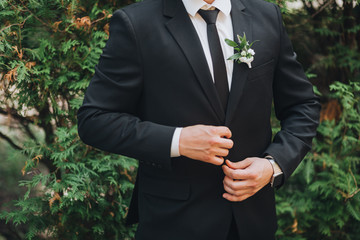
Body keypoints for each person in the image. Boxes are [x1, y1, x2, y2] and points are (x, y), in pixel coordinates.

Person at [77, 0, 320, 239]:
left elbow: (302, 105)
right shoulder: (136, 24)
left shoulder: (267, 16)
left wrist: (273, 165)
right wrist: (178, 140)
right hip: (174, 223)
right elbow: (95, 119)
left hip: (253, 221)